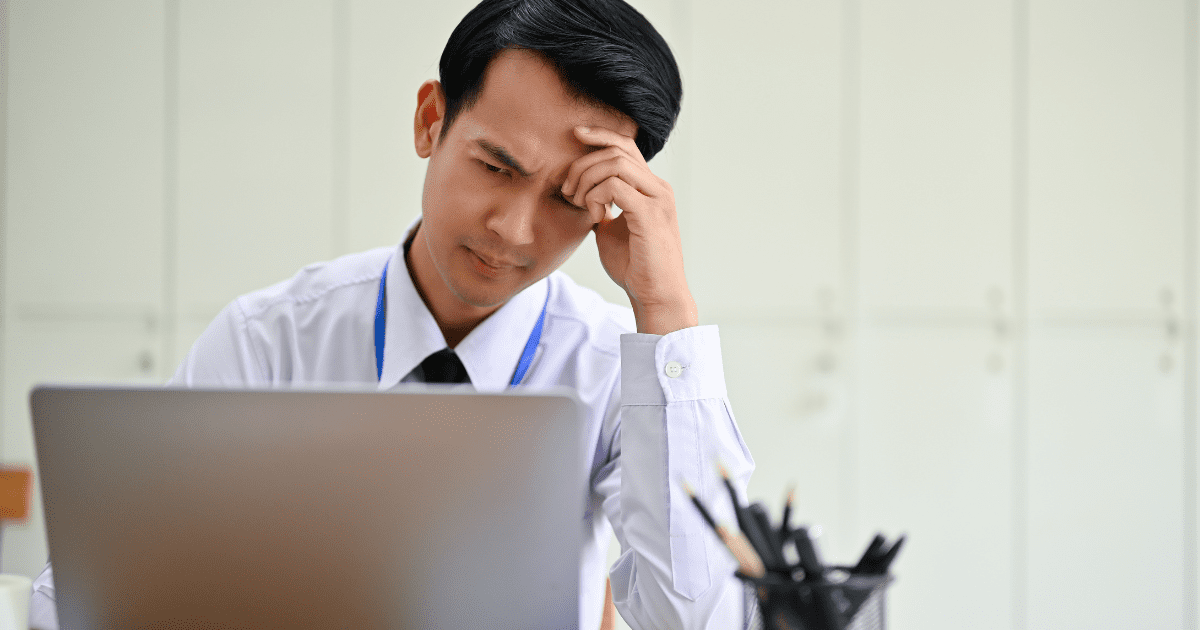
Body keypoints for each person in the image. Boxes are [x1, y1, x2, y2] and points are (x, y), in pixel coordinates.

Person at [30, 0, 755, 628]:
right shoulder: (271, 342)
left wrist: (667, 313)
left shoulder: (609, 363)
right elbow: (77, 598)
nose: (514, 229)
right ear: (430, 121)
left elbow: (698, 617)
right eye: (496, 167)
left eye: (567, 200)